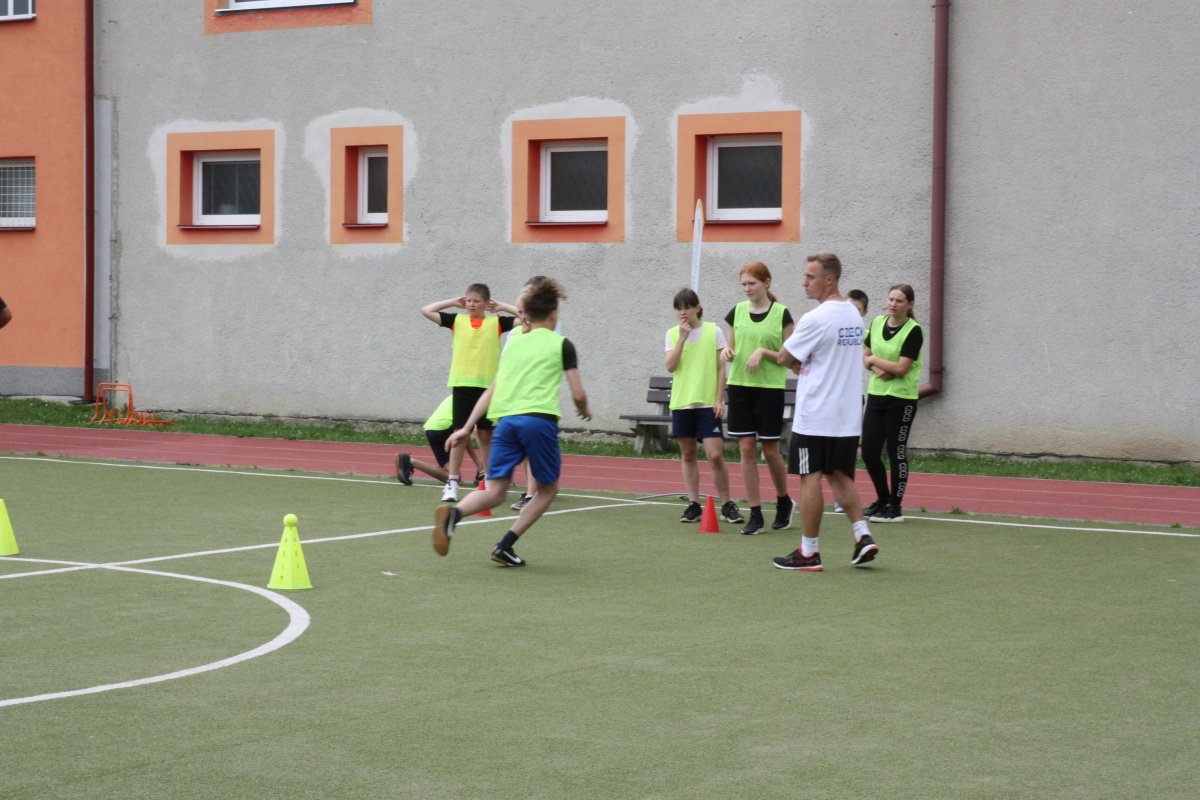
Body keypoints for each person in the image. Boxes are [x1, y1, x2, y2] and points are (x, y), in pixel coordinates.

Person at [431, 278, 591, 567]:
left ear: (526, 314)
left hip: (505, 422)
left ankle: (454, 514)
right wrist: (584, 409)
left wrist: (466, 427)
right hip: (538, 421)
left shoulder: (514, 344)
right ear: (554, 313)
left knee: (494, 491)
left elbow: (492, 389)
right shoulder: (562, 344)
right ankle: (505, 544)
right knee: (548, 489)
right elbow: (578, 393)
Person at [772, 253, 878, 571]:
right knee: (839, 474)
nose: (804, 282)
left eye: (811, 276)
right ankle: (862, 535)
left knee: (811, 478)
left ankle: (809, 552)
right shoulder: (853, 315)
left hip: (816, 413)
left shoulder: (815, 318)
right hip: (846, 414)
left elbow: (783, 357)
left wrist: (797, 360)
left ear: (829, 280)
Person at [420, 285, 518, 502]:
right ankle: (452, 482)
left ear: (486, 303)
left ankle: (489, 480)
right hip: (462, 385)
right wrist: (452, 302)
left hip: (487, 388)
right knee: (459, 435)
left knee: (485, 435)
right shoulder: (457, 320)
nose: (472, 304)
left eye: (477, 301)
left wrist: (503, 306)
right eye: (469, 300)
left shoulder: (496, 323)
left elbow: (527, 318)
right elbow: (426, 310)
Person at [720, 262, 795, 535]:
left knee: (771, 451)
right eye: (743, 284)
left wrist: (763, 351)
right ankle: (755, 514)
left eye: (752, 283)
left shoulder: (781, 314)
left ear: (766, 282)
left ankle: (784, 500)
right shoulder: (737, 312)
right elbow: (731, 348)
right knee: (746, 449)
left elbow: (790, 358)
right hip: (740, 386)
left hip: (769, 389)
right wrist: (726, 353)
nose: (747, 289)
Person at [665, 288, 742, 525]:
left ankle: (727, 504)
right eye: (679, 308)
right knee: (688, 454)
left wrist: (719, 399)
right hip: (682, 402)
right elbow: (670, 366)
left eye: (687, 307)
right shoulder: (672, 334)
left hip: (708, 402)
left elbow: (721, 368)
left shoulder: (713, 331)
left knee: (715, 455)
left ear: (697, 308)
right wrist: (681, 339)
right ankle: (693, 504)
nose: (683, 312)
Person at [861, 284, 924, 523]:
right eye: (891, 299)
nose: (893, 304)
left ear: (909, 305)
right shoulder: (877, 323)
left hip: (901, 400)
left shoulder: (913, 331)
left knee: (895, 451)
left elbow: (901, 368)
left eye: (899, 301)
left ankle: (895, 507)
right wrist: (879, 367)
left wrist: (876, 360)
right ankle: (882, 498)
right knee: (869, 452)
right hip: (877, 395)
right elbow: (865, 356)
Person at [832, 289, 868, 514]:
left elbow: (869, 359)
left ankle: (844, 497)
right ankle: (836, 492)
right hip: (833, 396)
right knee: (830, 447)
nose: (852, 313)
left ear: (864, 312)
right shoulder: (838, 331)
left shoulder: (865, 335)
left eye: (857, 309)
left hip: (853, 397)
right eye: (849, 308)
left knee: (847, 448)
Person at [395, 395, 483, 486]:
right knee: (454, 475)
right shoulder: (473, 399)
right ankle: (483, 471)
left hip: (431, 429)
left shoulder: (461, 393)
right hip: (444, 429)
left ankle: (409, 461)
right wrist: (478, 463)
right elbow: (466, 434)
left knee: (454, 477)